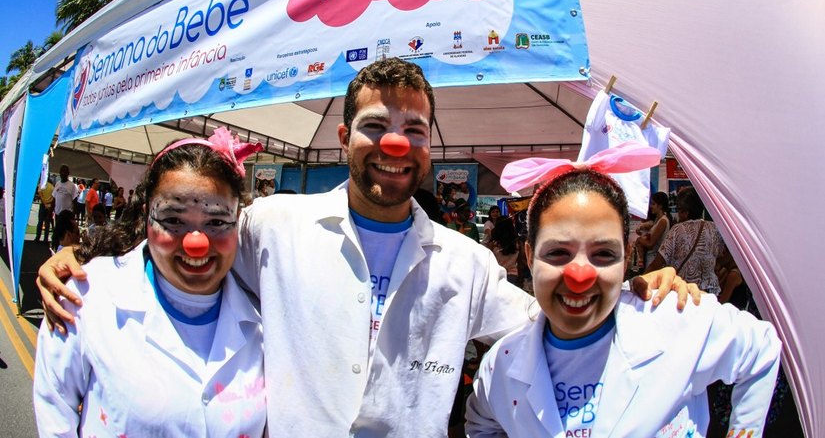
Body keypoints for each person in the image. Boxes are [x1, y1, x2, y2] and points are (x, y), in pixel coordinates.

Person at [38, 58, 696, 437]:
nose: (394, 143)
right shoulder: (273, 225)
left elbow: (559, 316)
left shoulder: (464, 263)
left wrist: (640, 290)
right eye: (375, 125)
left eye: (413, 127)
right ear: (346, 135)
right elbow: (183, 255)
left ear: (430, 143)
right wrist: (82, 267)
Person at [466, 156, 780, 438]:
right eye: (558, 252)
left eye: (603, 254)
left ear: (627, 257)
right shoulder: (501, 366)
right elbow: (482, 425)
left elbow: (761, 350)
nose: (579, 276)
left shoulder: (674, 320)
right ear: (530, 256)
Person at [33, 128, 266, 437]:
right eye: (173, 220)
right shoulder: (86, 297)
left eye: (216, 222)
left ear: (238, 220)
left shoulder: (265, 315)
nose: (196, 243)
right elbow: (55, 415)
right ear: (146, 217)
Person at [645, 186, 726, 294]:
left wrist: (642, 280)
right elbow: (722, 256)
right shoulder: (715, 229)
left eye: (678, 209)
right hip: (710, 293)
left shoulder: (678, 230)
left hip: (685, 291)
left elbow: (658, 263)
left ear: (685, 212)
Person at [632, 191, 671, 270]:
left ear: (660, 206)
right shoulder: (657, 220)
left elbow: (650, 244)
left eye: (653, 204)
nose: (651, 206)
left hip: (654, 260)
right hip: (651, 258)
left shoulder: (663, 221)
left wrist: (639, 239)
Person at [34, 178, 55, 243]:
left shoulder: (42, 185)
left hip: (43, 205)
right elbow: (54, 197)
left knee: (40, 222)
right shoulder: (52, 187)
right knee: (47, 223)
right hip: (49, 206)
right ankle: (45, 239)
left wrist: (44, 202)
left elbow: (40, 193)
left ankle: (37, 237)